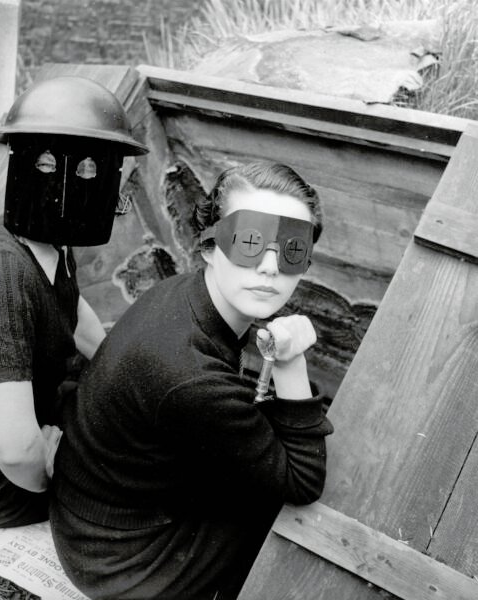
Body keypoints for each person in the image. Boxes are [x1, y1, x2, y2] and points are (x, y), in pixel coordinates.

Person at [50, 160, 334, 599]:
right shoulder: (190, 375)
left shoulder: (186, 293)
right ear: (209, 247)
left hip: (96, 517)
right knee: (294, 518)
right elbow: (303, 482)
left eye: (292, 249)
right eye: (249, 242)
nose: (270, 267)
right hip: (127, 560)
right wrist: (291, 362)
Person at [0, 75, 148, 528]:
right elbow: (12, 449)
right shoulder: (0, 274)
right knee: (133, 482)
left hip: (30, 420)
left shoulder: (50, 237)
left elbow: (72, 308)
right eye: (50, 165)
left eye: (93, 171)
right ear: (24, 165)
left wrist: (118, 373)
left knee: (126, 422)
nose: (79, 184)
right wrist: (53, 472)